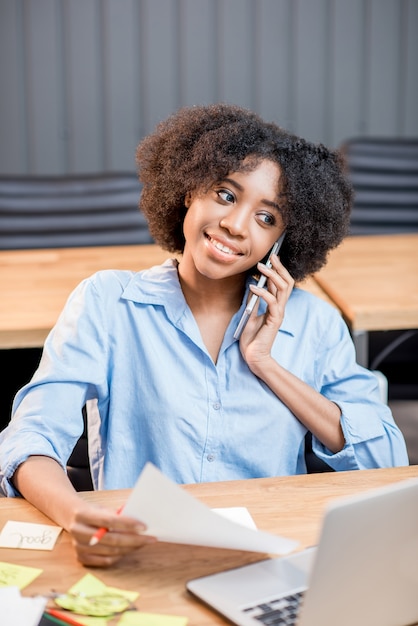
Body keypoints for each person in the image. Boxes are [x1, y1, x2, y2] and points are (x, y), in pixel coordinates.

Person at [0, 103, 408, 567]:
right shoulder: (109, 302)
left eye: (267, 217)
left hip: (271, 558)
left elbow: (385, 460)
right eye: (226, 195)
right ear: (189, 189)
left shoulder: (315, 323)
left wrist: (266, 364)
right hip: (142, 554)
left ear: (285, 239)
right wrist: (77, 514)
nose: (236, 225)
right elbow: (29, 438)